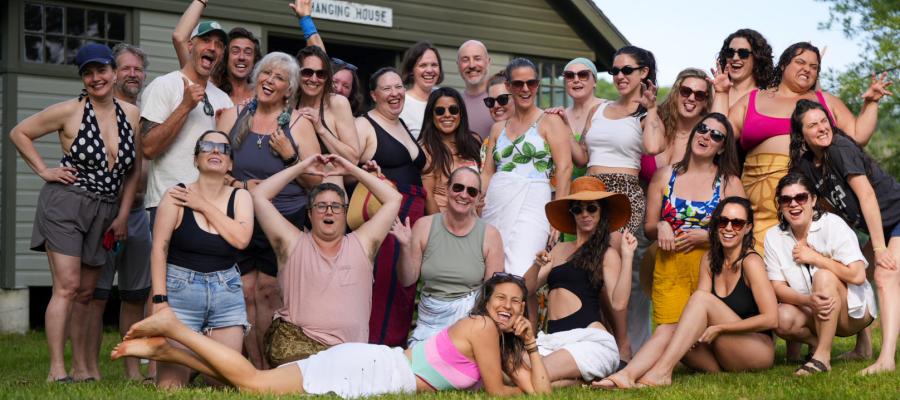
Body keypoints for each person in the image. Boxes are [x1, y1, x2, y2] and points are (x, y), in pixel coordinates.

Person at [111, 274, 552, 397]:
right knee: (254, 383)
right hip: (374, 371)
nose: (509, 306)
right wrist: (522, 376)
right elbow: (499, 393)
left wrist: (530, 345)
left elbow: (542, 393)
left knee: (245, 387)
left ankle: (170, 349)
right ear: (486, 301)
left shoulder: (502, 340)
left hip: (376, 365)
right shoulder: (480, 329)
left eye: (517, 301)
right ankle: (175, 327)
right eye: (502, 298)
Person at [11, 43, 141, 382]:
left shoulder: (131, 114)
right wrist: (44, 171)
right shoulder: (69, 110)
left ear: (113, 72)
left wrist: (123, 215)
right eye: (88, 72)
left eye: (101, 70)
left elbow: (132, 172)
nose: (96, 78)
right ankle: (57, 369)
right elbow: (19, 132)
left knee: (86, 292)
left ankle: (85, 369)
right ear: (83, 78)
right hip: (66, 203)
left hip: (105, 211)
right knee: (67, 287)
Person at [711, 42, 891, 253]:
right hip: (757, 203)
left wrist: (871, 103)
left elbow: (859, 135)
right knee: (758, 265)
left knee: (811, 266)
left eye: (814, 67)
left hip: (810, 199)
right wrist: (721, 92)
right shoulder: (752, 99)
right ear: (784, 64)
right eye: (800, 62)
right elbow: (718, 134)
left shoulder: (826, 101)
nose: (807, 69)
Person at [596, 197, 777, 388]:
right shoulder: (710, 259)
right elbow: (698, 314)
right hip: (722, 352)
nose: (729, 228)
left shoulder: (751, 262)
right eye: (723, 221)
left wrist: (720, 328)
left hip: (756, 350)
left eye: (737, 223)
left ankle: (662, 372)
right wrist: (695, 331)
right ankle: (626, 374)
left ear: (748, 228)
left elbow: (771, 319)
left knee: (700, 300)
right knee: (670, 328)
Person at [216, 52, 321, 369]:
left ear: (289, 90)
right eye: (265, 74)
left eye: (278, 77)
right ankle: (254, 367)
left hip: (283, 219)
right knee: (245, 292)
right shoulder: (231, 116)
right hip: (241, 215)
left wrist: (291, 157)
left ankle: (272, 367)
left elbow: (315, 179)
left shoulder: (299, 125)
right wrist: (244, 186)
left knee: (269, 293)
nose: (269, 81)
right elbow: (213, 166)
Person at [250, 154, 401, 366]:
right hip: (298, 348)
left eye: (336, 206)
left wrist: (352, 169)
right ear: (310, 215)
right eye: (321, 206)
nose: (329, 211)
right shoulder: (291, 242)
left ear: (344, 213)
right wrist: (302, 167)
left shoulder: (363, 243)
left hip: (349, 354)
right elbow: (259, 196)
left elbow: (394, 199)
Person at [788, 100, 899, 374]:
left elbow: (867, 196)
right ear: (802, 134)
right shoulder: (807, 165)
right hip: (879, 226)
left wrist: (879, 247)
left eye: (824, 120)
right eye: (813, 125)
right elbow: (820, 205)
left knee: (884, 276)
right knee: (853, 273)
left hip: (895, 217)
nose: (822, 127)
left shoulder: (839, 148)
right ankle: (863, 346)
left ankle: (886, 359)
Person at [571, 45, 665, 357]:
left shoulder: (647, 113)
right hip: (592, 192)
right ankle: (603, 347)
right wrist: (557, 126)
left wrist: (651, 109)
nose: (620, 76)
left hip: (624, 194)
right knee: (593, 270)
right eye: (615, 71)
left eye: (627, 70)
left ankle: (633, 348)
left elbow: (652, 148)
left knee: (628, 275)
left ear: (644, 73)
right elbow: (583, 155)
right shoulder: (597, 109)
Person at [149, 130, 253, 388]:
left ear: (230, 164)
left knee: (223, 385)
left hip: (226, 293)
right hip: (180, 292)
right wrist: (160, 302)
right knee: (170, 387)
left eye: (223, 148)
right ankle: (190, 364)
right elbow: (159, 249)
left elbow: (241, 239)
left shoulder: (241, 197)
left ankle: (196, 363)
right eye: (207, 146)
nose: (216, 151)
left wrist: (203, 204)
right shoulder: (175, 196)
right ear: (196, 159)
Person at [83, 43, 152, 383]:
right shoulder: (94, 110)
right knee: (95, 295)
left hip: (141, 214)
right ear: (111, 72)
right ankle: (89, 368)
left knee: (135, 296)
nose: (132, 74)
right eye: (125, 68)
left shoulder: (145, 112)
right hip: (104, 212)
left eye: (138, 69)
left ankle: (131, 369)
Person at [764, 173, 877, 375]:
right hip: (814, 310)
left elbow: (858, 275)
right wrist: (809, 300)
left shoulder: (832, 225)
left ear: (813, 200)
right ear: (779, 204)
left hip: (853, 313)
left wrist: (816, 258)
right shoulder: (773, 237)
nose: (794, 204)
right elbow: (777, 287)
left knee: (823, 276)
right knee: (779, 316)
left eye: (801, 197)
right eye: (786, 199)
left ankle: (822, 358)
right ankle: (818, 342)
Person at [531, 176, 637, 385]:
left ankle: (573, 378)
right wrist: (536, 265)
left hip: (589, 340)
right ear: (572, 214)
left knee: (533, 376)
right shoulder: (559, 249)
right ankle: (578, 380)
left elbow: (618, 303)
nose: (585, 214)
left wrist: (628, 257)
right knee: (512, 368)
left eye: (591, 208)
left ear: (602, 212)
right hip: (553, 341)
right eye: (578, 209)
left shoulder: (607, 254)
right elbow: (528, 288)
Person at [645, 113, 744, 327]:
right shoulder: (663, 176)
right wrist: (661, 226)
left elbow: (743, 231)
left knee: (700, 340)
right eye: (702, 129)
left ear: (722, 148)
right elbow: (648, 228)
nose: (706, 136)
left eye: (716, 135)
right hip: (670, 268)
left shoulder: (730, 183)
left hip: (711, 270)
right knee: (668, 331)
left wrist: (709, 236)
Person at [481, 57, 572, 279]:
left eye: (531, 83)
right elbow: (488, 172)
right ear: (509, 87)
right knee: (492, 271)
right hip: (496, 205)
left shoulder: (550, 122)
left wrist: (557, 220)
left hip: (534, 206)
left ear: (537, 85)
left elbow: (565, 169)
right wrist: (477, 202)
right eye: (518, 84)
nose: (525, 89)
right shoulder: (497, 129)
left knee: (523, 273)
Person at [356, 67, 427, 346]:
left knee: (406, 286)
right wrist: (367, 170)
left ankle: (396, 349)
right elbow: (349, 167)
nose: (395, 93)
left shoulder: (402, 124)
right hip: (388, 215)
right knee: (385, 282)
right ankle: (376, 350)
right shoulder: (364, 124)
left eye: (398, 87)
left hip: (414, 215)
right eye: (387, 89)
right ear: (374, 95)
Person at [393, 167, 504, 346]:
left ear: (477, 198)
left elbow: (492, 294)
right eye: (458, 187)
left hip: (470, 320)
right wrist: (405, 247)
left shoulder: (490, 235)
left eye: (471, 191)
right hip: (431, 321)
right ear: (448, 189)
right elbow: (407, 279)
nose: (464, 195)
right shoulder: (424, 226)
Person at [141, 14, 233, 219]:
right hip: (169, 201)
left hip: (211, 205)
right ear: (191, 45)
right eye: (206, 40)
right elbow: (148, 148)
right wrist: (185, 107)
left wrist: (223, 129)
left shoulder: (224, 99)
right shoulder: (164, 85)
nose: (212, 48)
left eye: (219, 44)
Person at [172, 0, 260, 108]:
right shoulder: (204, 83)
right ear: (225, 56)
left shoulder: (261, 95)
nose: (241, 57)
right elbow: (179, 38)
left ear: (255, 59)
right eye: (235, 51)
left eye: (248, 52)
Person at [418, 87, 482, 215]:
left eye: (453, 110)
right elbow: (428, 196)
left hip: (475, 222)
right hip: (444, 221)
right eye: (440, 111)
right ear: (431, 115)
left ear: (460, 114)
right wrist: (440, 229)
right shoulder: (425, 150)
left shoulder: (474, 141)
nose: (447, 115)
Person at [294, 45, 360, 163]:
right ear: (297, 73)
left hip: (327, 178)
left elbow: (353, 159)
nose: (314, 79)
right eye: (307, 72)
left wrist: (321, 128)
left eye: (320, 74)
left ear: (327, 78)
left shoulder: (338, 103)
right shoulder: (289, 101)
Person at [714, 29, 775, 108]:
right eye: (730, 52)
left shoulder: (767, 99)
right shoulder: (706, 93)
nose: (735, 58)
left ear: (757, 58)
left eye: (743, 53)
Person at [399, 41, 443, 139]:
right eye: (423, 65)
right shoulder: (401, 104)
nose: (429, 70)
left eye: (434, 65)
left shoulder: (444, 98)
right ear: (411, 70)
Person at [457, 40, 495, 138]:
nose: (472, 65)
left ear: (488, 62)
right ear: (458, 65)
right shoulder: (455, 103)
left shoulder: (502, 101)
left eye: (477, 59)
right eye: (465, 60)